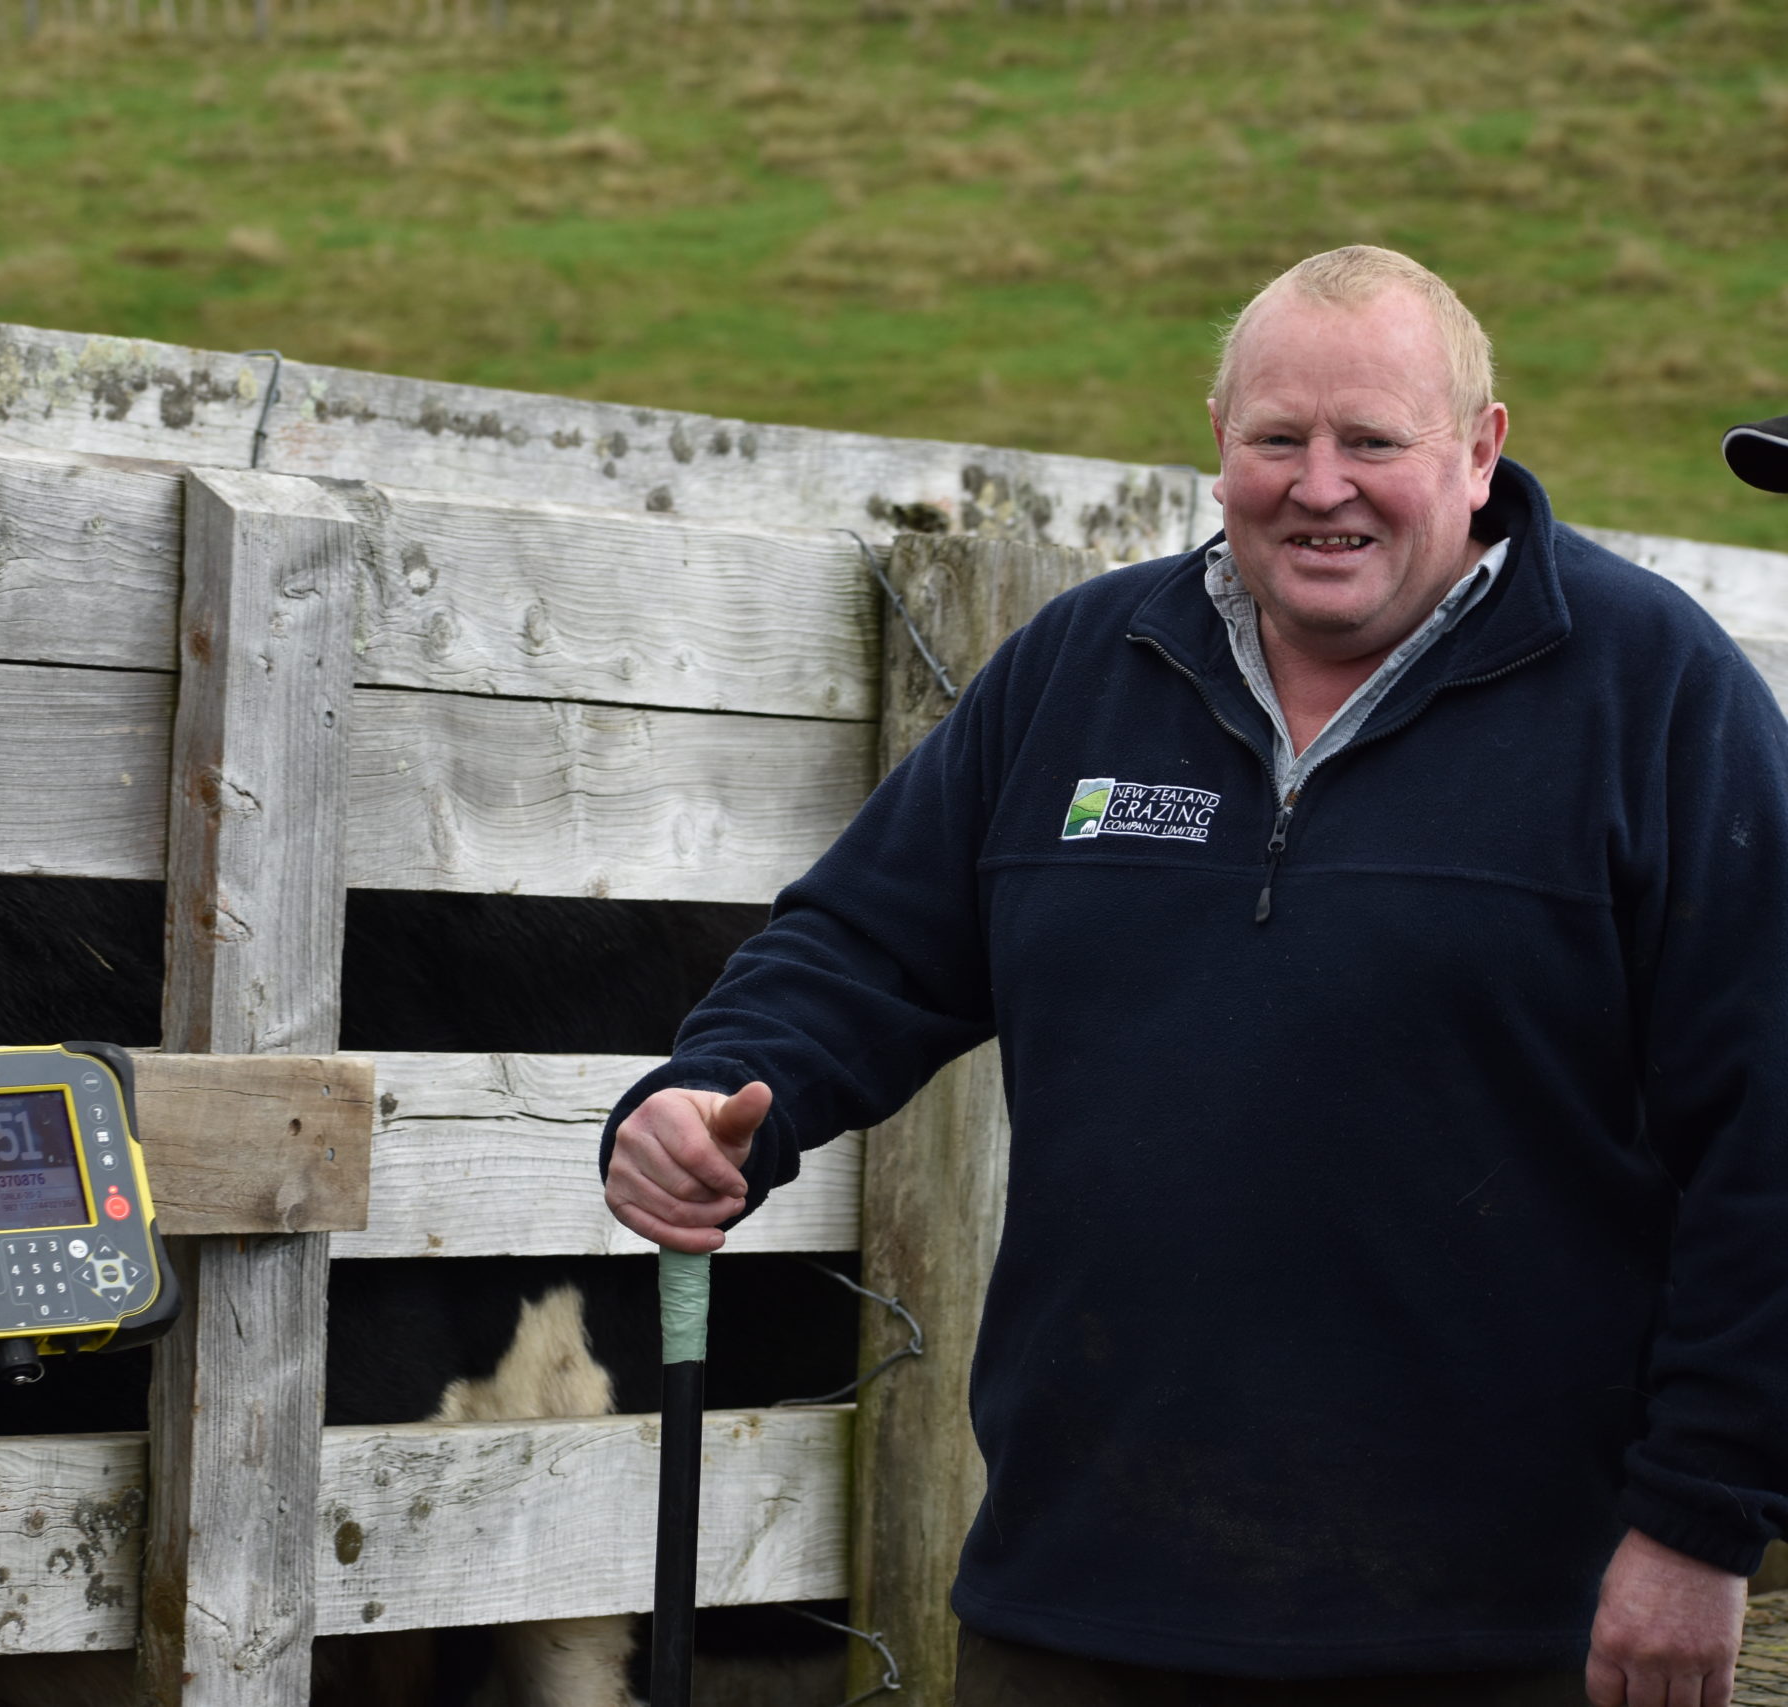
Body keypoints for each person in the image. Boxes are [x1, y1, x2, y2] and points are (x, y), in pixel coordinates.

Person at [602, 247, 1788, 1707]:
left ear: (1481, 451)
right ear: (1217, 438)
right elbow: (858, 945)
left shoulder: (1651, 696)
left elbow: (1772, 1132)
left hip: (1498, 1631)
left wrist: (1699, 1523)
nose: (1321, 483)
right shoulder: (1086, 672)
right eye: (1278, 438)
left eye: (1373, 442)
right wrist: (715, 1090)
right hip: (1080, 1603)